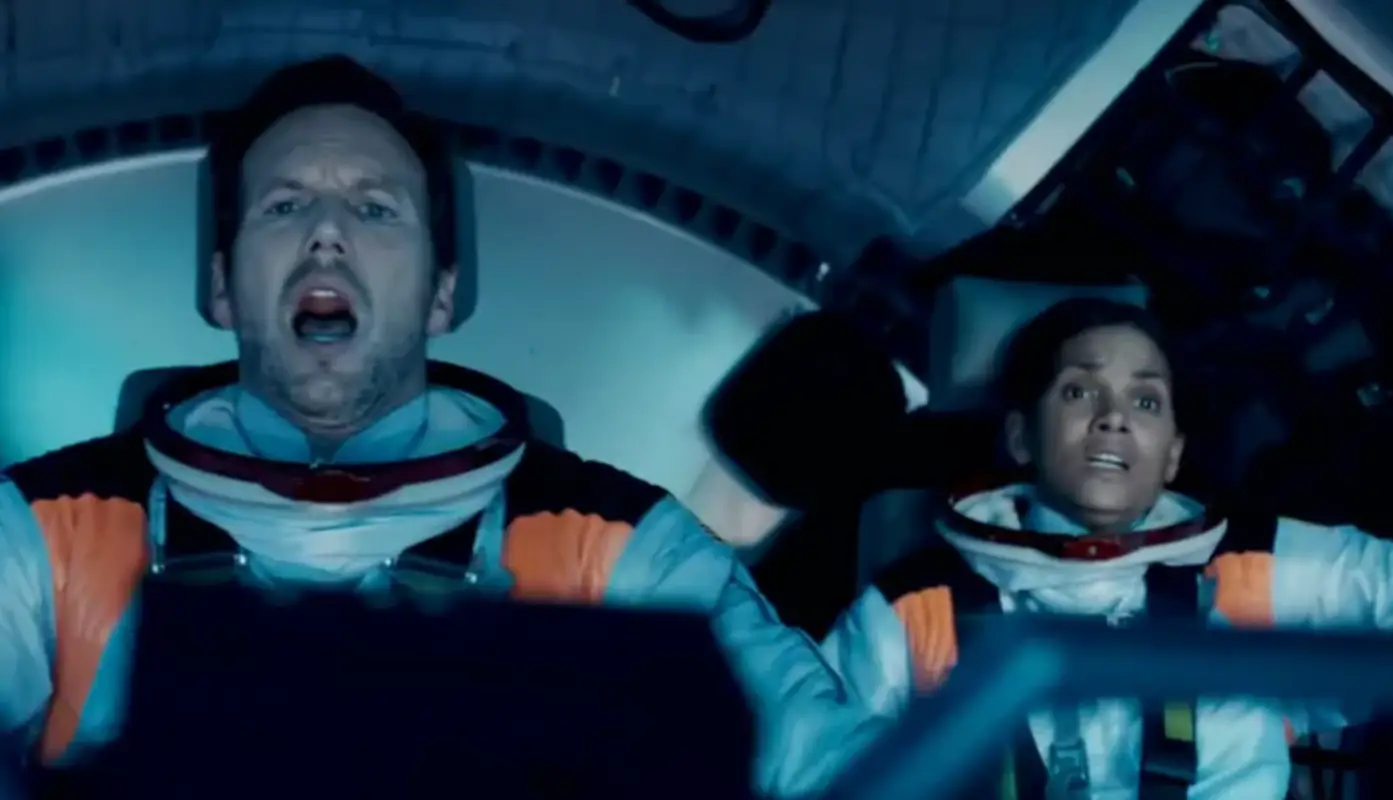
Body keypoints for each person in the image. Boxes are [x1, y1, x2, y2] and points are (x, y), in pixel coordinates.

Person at [0, 55, 880, 796]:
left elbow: (836, 771)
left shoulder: (619, 549)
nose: (327, 235)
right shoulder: (42, 534)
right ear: (222, 286)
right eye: (284, 206)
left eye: (375, 209)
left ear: (442, 295)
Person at [821, 298, 1393, 799]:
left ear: (1173, 454)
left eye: (1146, 401)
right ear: (1022, 436)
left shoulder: (1255, 567)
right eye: (1079, 392)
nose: (1114, 418)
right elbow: (811, 768)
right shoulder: (914, 612)